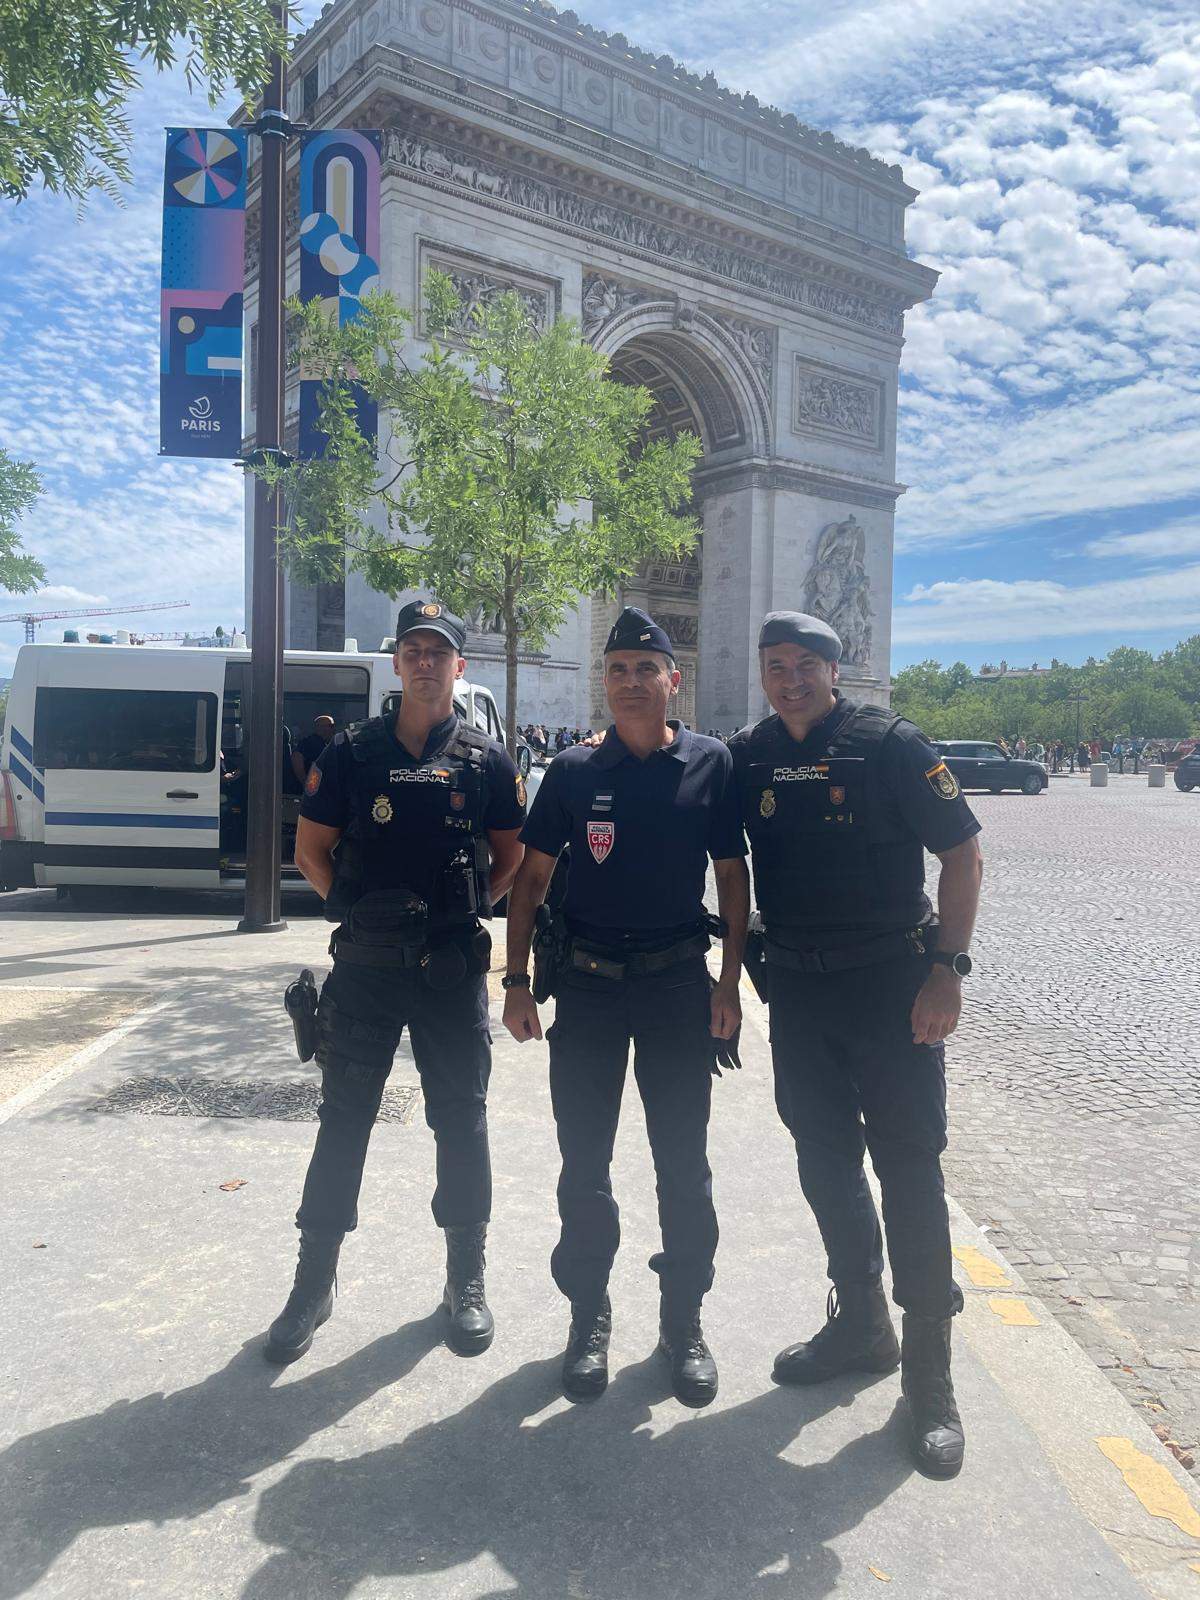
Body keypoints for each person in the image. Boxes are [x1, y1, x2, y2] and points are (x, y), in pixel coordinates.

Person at [729, 612, 983, 1480]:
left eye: (805, 664)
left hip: (892, 991)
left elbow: (964, 856)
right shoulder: (750, 753)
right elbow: (707, 846)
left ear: (837, 670)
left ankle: (931, 1378)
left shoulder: (892, 743)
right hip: (799, 993)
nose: (789, 678)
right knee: (824, 1158)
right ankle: (862, 1324)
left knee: (910, 1168)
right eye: (775, 665)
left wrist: (947, 970)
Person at [263, 599, 526, 1366]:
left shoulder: (487, 761)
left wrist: (469, 908)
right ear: (398, 660)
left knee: (462, 1121)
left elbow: (508, 861)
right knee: (343, 1121)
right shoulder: (349, 754)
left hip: (450, 973)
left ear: (458, 666)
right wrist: (360, 913)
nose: (423, 662)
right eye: (411, 649)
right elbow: (313, 851)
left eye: (437, 651)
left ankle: (465, 1281)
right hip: (368, 973)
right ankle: (313, 1285)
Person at [502, 607, 749, 1408]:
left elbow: (733, 877)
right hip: (591, 989)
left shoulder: (712, 763)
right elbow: (530, 882)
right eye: (618, 669)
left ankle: (684, 1322)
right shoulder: (571, 772)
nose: (633, 682)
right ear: (602, 682)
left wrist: (730, 983)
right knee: (585, 1163)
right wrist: (514, 980)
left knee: (684, 1164)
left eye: (648, 668)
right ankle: (588, 1316)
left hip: (679, 988)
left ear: (673, 681)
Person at [292, 714, 336, 784]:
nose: (333, 729)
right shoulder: (308, 743)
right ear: (320, 727)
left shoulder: (328, 744)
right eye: (331, 726)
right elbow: (296, 757)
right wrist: (306, 783)